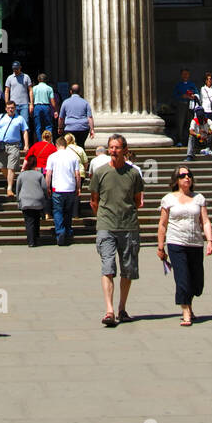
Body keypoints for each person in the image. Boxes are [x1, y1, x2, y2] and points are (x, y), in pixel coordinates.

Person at [90, 134, 144, 327]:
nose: (113, 151)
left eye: (117, 148)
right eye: (111, 148)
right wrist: (103, 218)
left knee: (127, 270)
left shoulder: (134, 174)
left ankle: (122, 307)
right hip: (106, 226)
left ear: (125, 150)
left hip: (128, 225)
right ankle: (109, 310)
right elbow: (94, 200)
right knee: (108, 267)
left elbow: (138, 200)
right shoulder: (100, 172)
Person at [157, 165, 212, 327]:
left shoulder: (199, 198)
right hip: (176, 243)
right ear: (176, 180)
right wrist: (161, 246)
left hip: (195, 243)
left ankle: (189, 303)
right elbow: (162, 224)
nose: (187, 178)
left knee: (197, 283)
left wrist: (209, 241)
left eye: (189, 175)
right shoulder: (168, 199)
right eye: (183, 176)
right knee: (182, 278)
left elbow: (205, 221)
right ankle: (186, 311)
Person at [45, 132, 82, 246]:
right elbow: (77, 174)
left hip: (57, 188)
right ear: (65, 145)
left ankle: (60, 231)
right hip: (70, 188)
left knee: (57, 211)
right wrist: (78, 187)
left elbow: (48, 174)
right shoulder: (73, 157)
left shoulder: (52, 156)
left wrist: (48, 187)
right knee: (68, 211)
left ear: (57, 145)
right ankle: (68, 230)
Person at [0, 99, 29, 197]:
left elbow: (25, 131)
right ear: (5, 109)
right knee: (2, 167)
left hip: (14, 145)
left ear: (15, 109)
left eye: (12, 108)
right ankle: (11, 180)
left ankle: (9, 188)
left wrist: (26, 145)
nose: (11, 110)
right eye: (9, 108)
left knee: (11, 168)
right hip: (2, 145)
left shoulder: (20, 118)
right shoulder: (1, 117)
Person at [16, 153, 48, 247]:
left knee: (29, 221)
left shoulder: (22, 175)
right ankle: (36, 236)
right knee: (36, 219)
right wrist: (46, 197)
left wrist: (18, 200)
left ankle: (31, 241)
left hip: (25, 201)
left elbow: (18, 188)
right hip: (38, 200)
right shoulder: (39, 175)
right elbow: (44, 187)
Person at [57, 82, 94, 148]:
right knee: (81, 145)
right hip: (83, 128)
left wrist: (60, 128)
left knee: (69, 147)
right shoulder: (85, 102)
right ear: (80, 92)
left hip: (69, 128)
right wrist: (92, 129)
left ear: (70, 92)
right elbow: (90, 117)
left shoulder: (65, 102)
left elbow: (61, 118)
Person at [4, 61, 33, 129]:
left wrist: (31, 104)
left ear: (20, 68)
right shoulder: (10, 78)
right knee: (13, 123)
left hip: (24, 104)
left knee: (25, 122)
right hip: (13, 105)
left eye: (17, 68)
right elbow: (6, 91)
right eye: (14, 69)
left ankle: (25, 139)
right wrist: (7, 104)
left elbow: (30, 90)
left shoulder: (26, 77)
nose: (15, 70)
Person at [172, 69, 198, 145]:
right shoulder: (178, 85)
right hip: (181, 105)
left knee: (190, 123)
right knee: (180, 123)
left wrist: (192, 96)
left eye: (186, 74)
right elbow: (174, 95)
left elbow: (196, 93)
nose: (185, 76)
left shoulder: (192, 84)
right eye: (183, 74)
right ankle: (179, 140)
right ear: (181, 75)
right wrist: (182, 96)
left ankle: (190, 141)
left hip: (190, 105)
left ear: (189, 75)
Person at [31, 72, 57, 142]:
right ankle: (49, 141)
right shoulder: (49, 88)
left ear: (38, 80)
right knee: (48, 125)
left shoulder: (34, 88)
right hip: (46, 106)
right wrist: (55, 110)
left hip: (37, 106)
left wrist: (31, 106)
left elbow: (32, 99)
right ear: (46, 80)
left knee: (38, 126)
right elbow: (52, 100)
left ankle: (40, 141)